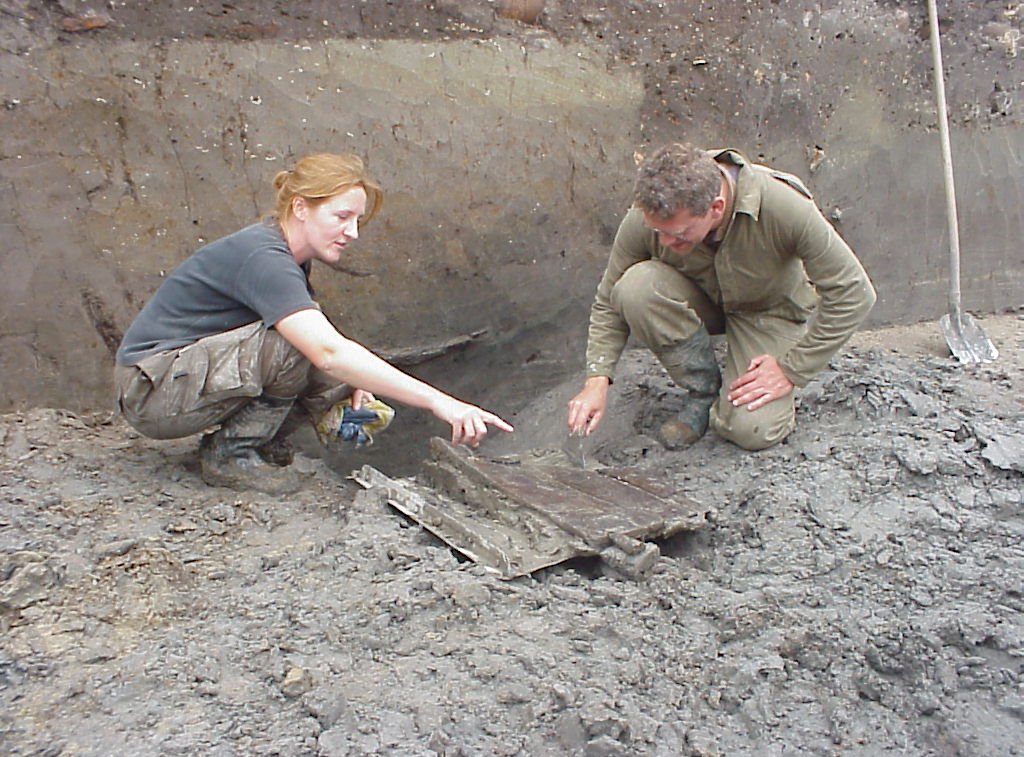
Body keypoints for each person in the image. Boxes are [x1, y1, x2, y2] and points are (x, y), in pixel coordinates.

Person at [115, 152, 513, 493]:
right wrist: (441, 402)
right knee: (299, 350)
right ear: (301, 207)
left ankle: (272, 441)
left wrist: (349, 385)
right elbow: (324, 351)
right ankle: (232, 455)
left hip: (178, 378)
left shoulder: (285, 256)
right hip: (152, 391)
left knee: (335, 368)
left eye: (357, 220)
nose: (352, 232)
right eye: (341, 216)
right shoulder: (264, 259)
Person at [567, 142, 876, 451]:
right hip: (701, 300)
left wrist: (791, 369)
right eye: (656, 231)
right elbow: (609, 298)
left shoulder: (782, 206)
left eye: (678, 235)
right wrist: (597, 380)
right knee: (635, 286)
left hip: (767, 312)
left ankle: (735, 397)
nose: (662, 242)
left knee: (751, 430)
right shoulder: (653, 213)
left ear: (715, 208)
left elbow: (854, 292)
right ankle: (702, 394)